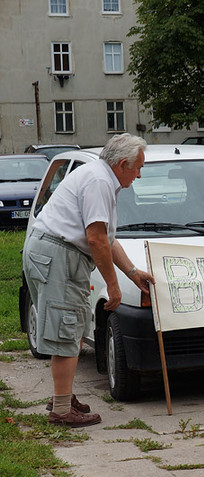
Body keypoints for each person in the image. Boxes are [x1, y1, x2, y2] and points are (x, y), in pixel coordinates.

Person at [23, 133, 155, 426]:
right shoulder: (99, 182)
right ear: (123, 164)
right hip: (58, 256)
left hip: (50, 252)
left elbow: (107, 238)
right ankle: (60, 409)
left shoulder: (101, 177)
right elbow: (96, 240)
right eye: (138, 167)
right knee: (66, 330)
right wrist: (113, 286)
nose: (139, 174)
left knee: (69, 324)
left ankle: (63, 393)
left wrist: (133, 274)